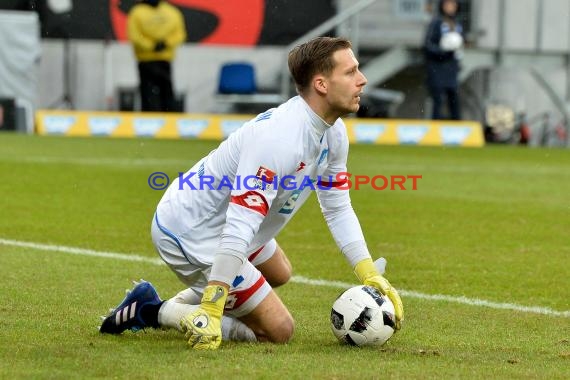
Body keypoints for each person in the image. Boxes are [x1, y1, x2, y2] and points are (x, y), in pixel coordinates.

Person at [99, 37, 404, 350]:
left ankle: (183, 303)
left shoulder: (333, 133)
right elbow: (239, 225)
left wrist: (369, 274)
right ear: (321, 84)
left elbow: (337, 207)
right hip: (191, 231)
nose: (362, 79)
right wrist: (213, 306)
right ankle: (152, 310)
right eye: (351, 71)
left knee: (280, 272)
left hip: (230, 224)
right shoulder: (279, 140)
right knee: (279, 330)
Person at [127, 0, 186, 112]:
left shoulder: (138, 12)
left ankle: (166, 121)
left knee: (164, 94)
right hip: (147, 61)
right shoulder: (139, 12)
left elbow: (180, 34)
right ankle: (154, 120)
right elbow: (134, 36)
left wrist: (161, 44)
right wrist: (156, 45)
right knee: (150, 94)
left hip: (161, 61)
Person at [423, 0, 463, 120]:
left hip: (452, 67)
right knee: (437, 99)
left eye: (453, 5)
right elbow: (428, 45)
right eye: (448, 4)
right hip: (437, 67)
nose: (451, 7)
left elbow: (460, 44)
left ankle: (457, 128)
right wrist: (442, 52)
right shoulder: (436, 23)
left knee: (454, 98)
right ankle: (435, 127)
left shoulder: (458, 24)